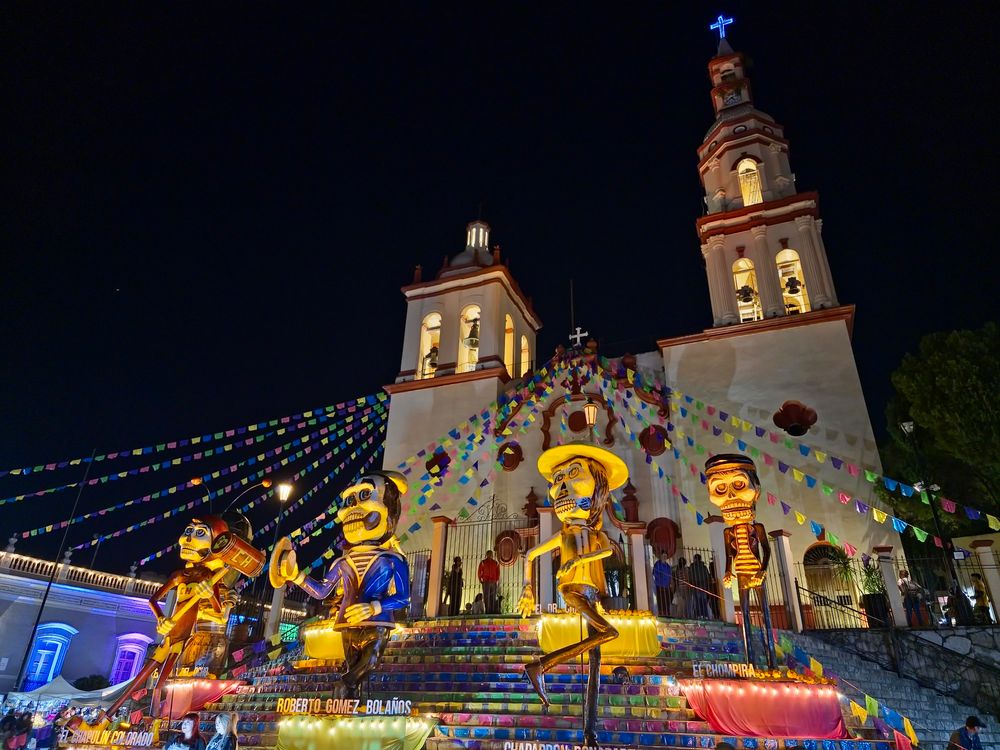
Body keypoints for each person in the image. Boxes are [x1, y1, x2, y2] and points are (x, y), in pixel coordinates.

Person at [687, 554, 712, 619]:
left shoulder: (692, 567)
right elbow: (707, 577)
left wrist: (691, 584)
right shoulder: (704, 567)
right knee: (703, 601)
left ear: (695, 559)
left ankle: (699, 615)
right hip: (703, 587)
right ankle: (705, 615)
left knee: (697, 601)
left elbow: (690, 577)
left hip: (696, 586)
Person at [478, 550, 500, 614]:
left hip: (492, 581)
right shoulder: (483, 562)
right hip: (486, 581)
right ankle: (488, 610)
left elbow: (498, 572)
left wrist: (496, 579)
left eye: (491, 554)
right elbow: (480, 571)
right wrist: (481, 579)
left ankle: (491, 610)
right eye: (489, 554)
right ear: (486, 555)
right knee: (487, 597)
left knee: (492, 596)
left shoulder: (495, 563)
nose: (490, 555)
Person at [652, 553, 672, 617]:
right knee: (661, 600)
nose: (664, 557)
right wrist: (660, 577)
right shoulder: (657, 564)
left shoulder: (668, 566)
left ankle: (667, 612)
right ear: (660, 556)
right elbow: (655, 573)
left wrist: (670, 582)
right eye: (663, 556)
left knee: (667, 600)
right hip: (659, 585)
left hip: (666, 586)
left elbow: (670, 575)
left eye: (666, 556)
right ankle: (661, 613)